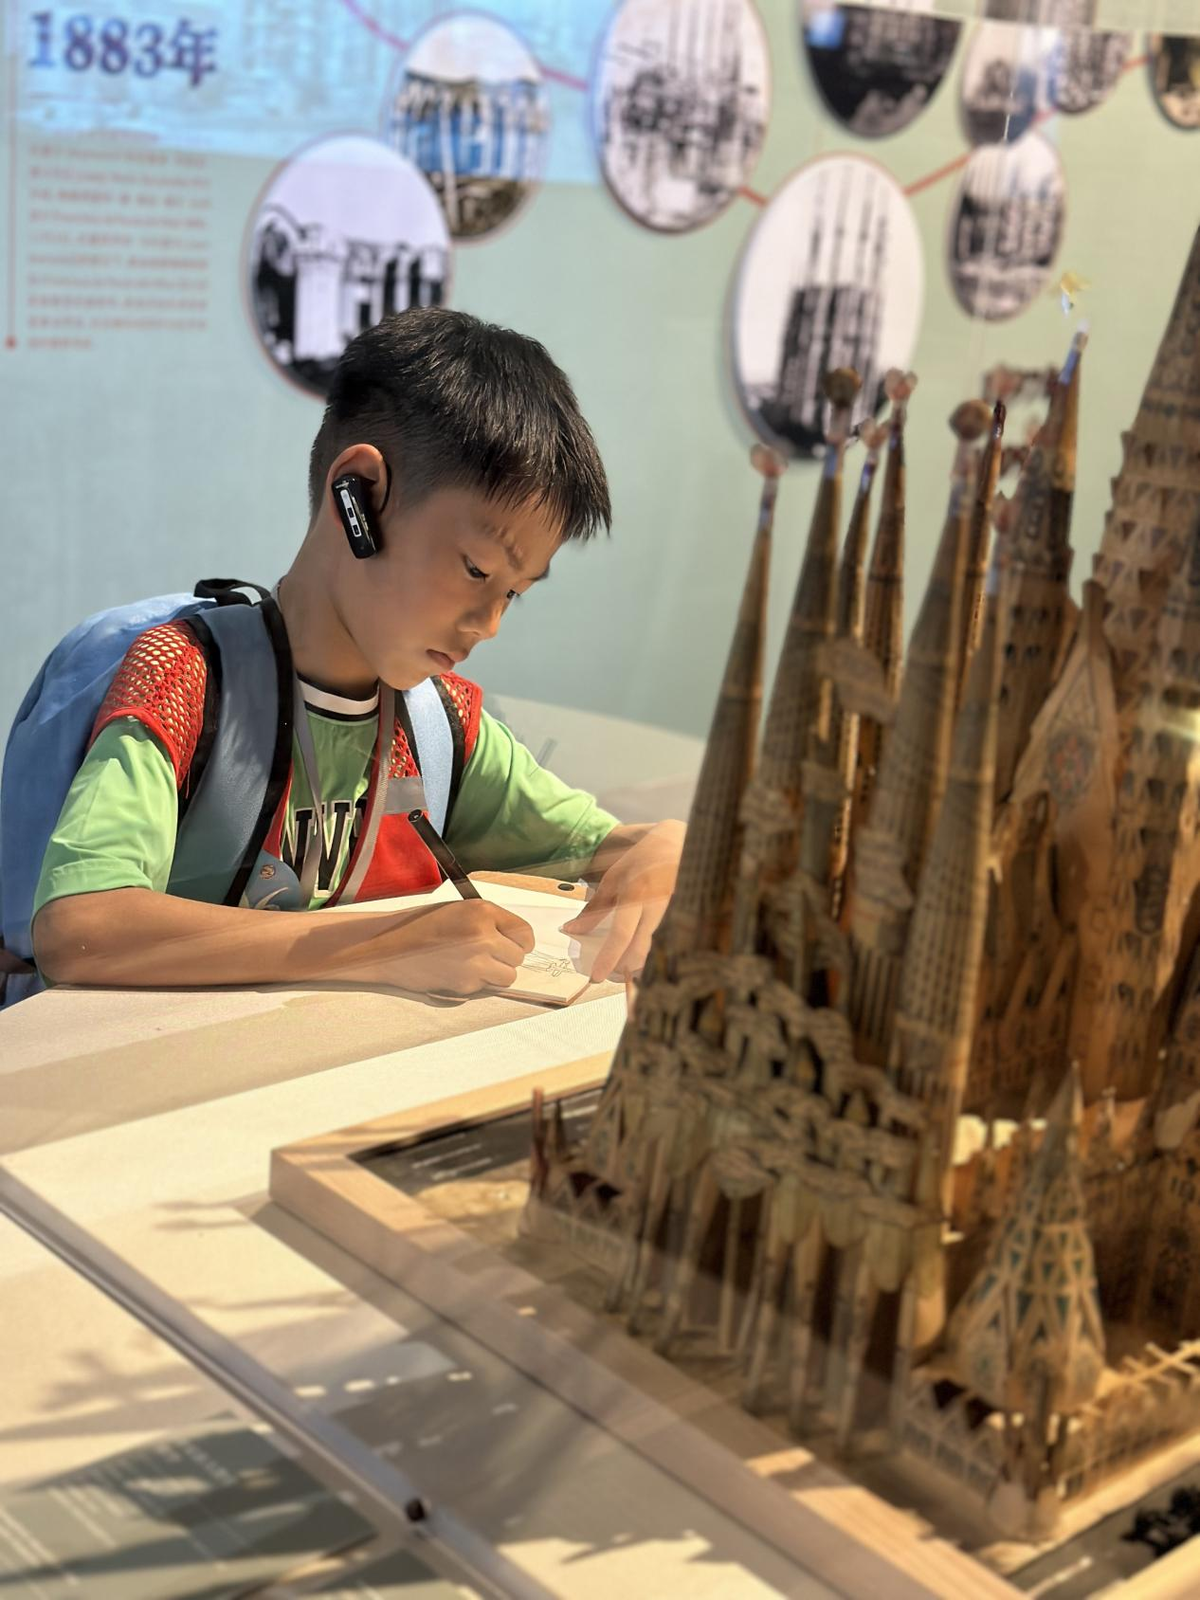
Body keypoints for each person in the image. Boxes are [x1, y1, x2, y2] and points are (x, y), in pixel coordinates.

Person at [30, 310, 685, 997]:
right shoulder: (186, 679)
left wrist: (663, 849)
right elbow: (79, 929)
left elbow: (609, 846)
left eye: (512, 593)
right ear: (360, 496)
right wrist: (377, 947)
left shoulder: (441, 728)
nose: (489, 624)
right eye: (475, 569)